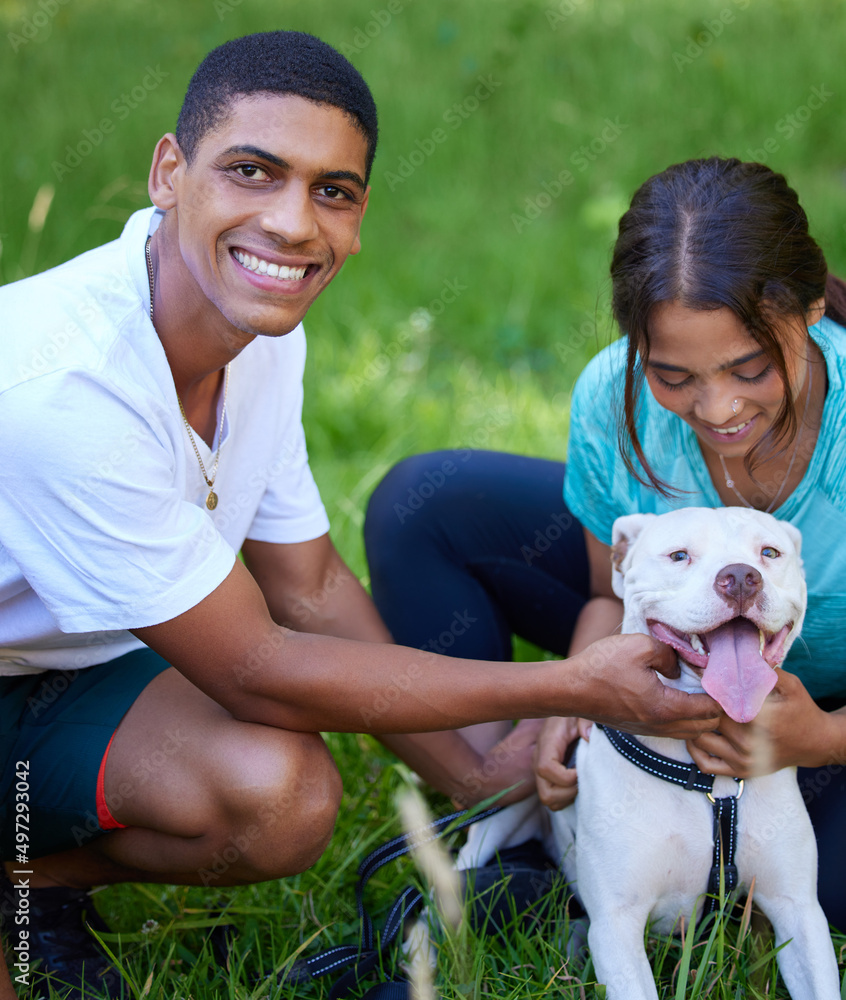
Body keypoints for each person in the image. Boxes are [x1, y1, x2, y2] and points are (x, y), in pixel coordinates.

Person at [0, 32, 718, 998]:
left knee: (283, 797)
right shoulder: (61, 387)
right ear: (169, 172)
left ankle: (30, 876)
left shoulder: (255, 323)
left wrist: (470, 781)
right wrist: (573, 685)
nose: (293, 223)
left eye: (331, 190)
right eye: (251, 172)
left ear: (361, 211)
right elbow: (258, 670)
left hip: (53, 669)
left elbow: (310, 585)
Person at [365, 157, 846, 930]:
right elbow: (604, 590)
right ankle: (527, 821)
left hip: (818, 711)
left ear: (814, 307)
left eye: (751, 367)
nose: (716, 407)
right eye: (673, 375)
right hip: (671, 657)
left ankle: (698, 866)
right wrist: (574, 688)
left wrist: (821, 738)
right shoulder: (611, 396)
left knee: (832, 891)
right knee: (423, 509)